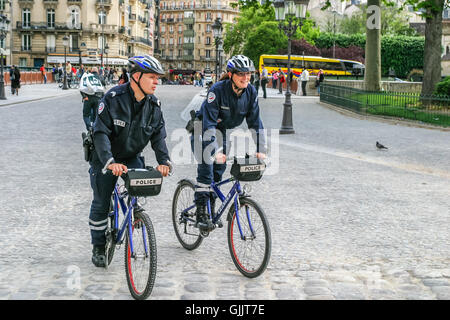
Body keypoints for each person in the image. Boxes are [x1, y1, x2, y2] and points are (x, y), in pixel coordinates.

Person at [88, 55, 172, 267]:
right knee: (101, 200)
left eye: (157, 78)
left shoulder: (154, 105)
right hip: (104, 157)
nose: (156, 81)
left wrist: (164, 162)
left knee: (139, 188)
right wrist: (109, 161)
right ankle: (98, 245)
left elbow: (158, 136)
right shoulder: (113, 98)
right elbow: (100, 133)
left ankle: (133, 215)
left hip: (131, 155)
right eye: (152, 77)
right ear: (136, 76)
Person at [190, 55, 267, 231]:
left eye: (248, 74)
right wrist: (215, 151)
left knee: (218, 173)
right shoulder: (216, 91)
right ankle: (201, 211)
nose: (246, 77)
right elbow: (208, 124)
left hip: (221, 131)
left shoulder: (251, 92)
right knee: (207, 169)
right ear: (231, 74)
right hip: (201, 128)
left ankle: (212, 206)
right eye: (241, 74)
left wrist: (261, 148)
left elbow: (256, 122)